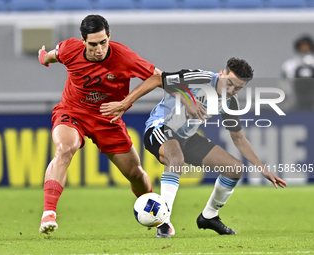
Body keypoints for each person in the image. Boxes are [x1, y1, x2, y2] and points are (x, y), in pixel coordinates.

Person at [100, 57, 287, 238]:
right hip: (160, 127)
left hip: (186, 138)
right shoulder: (200, 78)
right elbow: (157, 79)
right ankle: (164, 222)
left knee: (234, 169)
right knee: (176, 159)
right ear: (221, 74)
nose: (231, 90)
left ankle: (209, 216)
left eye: (238, 88)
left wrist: (263, 169)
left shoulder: (230, 102)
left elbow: (238, 139)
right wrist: (125, 104)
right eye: (228, 83)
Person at [37, 14, 162, 235]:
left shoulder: (124, 56)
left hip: (108, 119)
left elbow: (157, 77)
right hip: (72, 111)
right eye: (93, 44)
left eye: (103, 42)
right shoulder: (69, 49)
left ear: (109, 36)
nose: (99, 49)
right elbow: (51, 56)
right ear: (83, 40)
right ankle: (49, 213)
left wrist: (125, 102)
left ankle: (158, 216)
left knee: (135, 173)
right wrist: (43, 58)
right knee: (64, 148)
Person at [281, 35, 314, 110]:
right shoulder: (289, 65)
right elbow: (283, 81)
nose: (305, 49)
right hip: (295, 100)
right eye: (302, 46)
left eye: (307, 46)